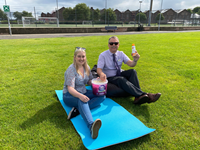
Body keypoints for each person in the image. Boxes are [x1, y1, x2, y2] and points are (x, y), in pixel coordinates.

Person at [97, 36, 161, 105]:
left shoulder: (121, 53)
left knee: (132, 71)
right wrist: (101, 74)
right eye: (111, 43)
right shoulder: (103, 55)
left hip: (118, 74)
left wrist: (135, 60)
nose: (113, 45)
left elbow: (131, 64)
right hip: (109, 77)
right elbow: (99, 69)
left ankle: (138, 97)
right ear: (108, 44)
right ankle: (144, 95)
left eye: (116, 43)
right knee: (121, 79)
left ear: (118, 44)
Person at [63, 47, 105, 139]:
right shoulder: (71, 69)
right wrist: (80, 96)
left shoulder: (86, 67)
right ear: (74, 57)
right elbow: (70, 89)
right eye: (79, 56)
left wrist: (95, 80)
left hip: (83, 91)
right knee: (82, 101)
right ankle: (91, 126)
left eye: (83, 56)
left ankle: (78, 110)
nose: (81, 59)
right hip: (69, 95)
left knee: (102, 96)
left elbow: (88, 81)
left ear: (85, 57)